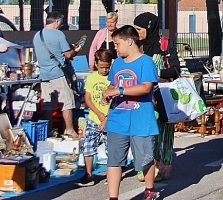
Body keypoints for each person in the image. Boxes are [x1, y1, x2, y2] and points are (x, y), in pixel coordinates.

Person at [102, 25, 159, 200]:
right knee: (114, 160)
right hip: (117, 119)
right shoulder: (117, 63)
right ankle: (113, 197)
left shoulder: (146, 62)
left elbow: (145, 87)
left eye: (117, 44)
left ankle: (149, 190)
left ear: (129, 41)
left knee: (145, 159)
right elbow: (113, 84)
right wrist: (108, 92)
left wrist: (118, 91)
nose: (115, 48)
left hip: (141, 119)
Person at [134, 12, 181, 182]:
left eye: (140, 29)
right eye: (135, 29)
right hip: (141, 97)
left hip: (163, 97)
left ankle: (163, 165)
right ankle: (146, 166)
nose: (137, 32)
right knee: (144, 133)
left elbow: (176, 69)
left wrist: (157, 73)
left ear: (149, 27)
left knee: (164, 133)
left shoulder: (165, 45)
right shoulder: (135, 46)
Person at [33, 11, 82, 138]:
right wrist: (75, 51)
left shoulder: (37, 35)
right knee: (67, 102)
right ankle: (70, 130)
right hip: (58, 73)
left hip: (44, 75)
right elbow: (68, 55)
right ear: (57, 22)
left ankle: (48, 131)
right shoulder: (59, 34)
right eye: (60, 23)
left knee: (48, 104)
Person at [77, 48, 114, 187]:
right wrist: (99, 114)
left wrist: (106, 117)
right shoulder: (91, 78)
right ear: (96, 64)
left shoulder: (113, 78)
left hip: (109, 118)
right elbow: (88, 99)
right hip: (94, 117)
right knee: (88, 145)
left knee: (111, 148)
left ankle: (112, 174)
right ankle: (88, 173)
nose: (105, 70)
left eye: (107, 67)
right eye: (102, 67)